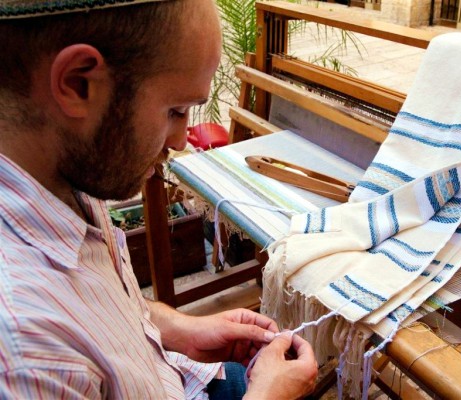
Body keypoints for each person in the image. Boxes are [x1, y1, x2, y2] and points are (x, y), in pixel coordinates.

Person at [0, 0, 318, 398]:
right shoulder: (25, 358)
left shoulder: (64, 174)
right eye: (176, 110)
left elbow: (96, 311)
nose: (181, 140)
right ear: (77, 83)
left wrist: (182, 330)